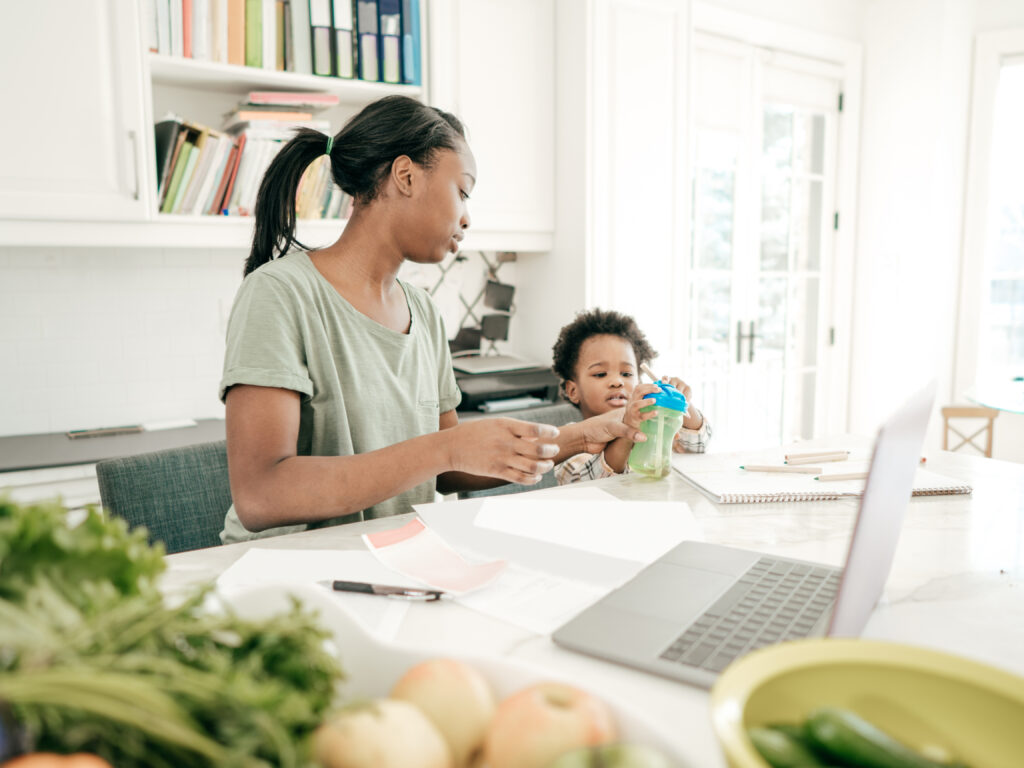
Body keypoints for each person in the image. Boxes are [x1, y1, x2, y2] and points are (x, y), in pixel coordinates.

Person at [219, 95, 642, 543]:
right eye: (462, 191)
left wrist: (581, 435)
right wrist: (447, 447)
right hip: (288, 579)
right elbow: (261, 496)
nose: (467, 216)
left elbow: (443, 473)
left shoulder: (423, 311)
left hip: (395, 561)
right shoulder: (279, 293)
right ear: (405, 176)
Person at [550, 308, 712, 484]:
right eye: (600, 374)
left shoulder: (654, 425)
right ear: (573, 391)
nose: (617, 382)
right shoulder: (570, 443)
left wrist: (680, 404)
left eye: (626, 374)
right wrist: (627, 431)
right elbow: (590, 483)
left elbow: (699, 445)